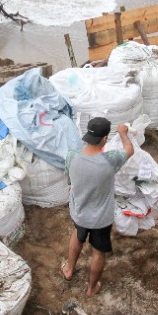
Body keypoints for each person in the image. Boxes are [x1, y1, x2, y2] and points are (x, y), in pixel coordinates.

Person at [62, 117, 134, 297]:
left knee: (77, 236)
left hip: (79, 212)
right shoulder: (110, 160)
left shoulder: (72, 157)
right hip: (101, 219)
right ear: (104, 139)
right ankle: (91, 288)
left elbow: (70, 180)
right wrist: (123, 134)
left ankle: (69, 269)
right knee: (98, 252)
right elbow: (129, 150)